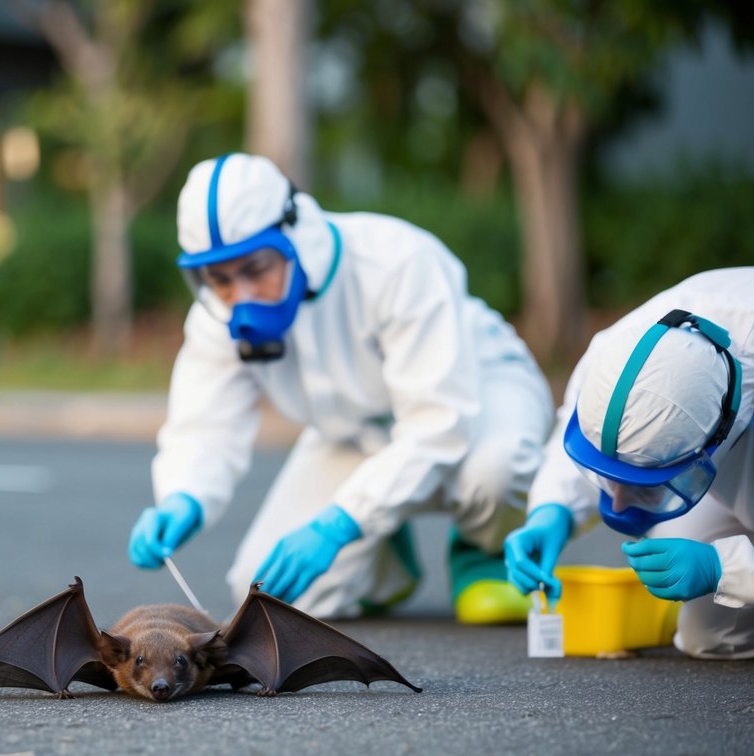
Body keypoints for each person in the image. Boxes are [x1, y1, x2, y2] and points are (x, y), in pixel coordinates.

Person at [127, 152, 553, 624]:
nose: (239, 296)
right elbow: (205, 421)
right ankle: (387, 563)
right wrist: (182, 494)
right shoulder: (218, 314)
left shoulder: (396, 260)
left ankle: (483, 553)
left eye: (255, 268)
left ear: (295, 234)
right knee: (268, 593)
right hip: (354, 432)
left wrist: (339, 523)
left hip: (478, 398)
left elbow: (439, 426)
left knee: (495, 470)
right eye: (220, 277)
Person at [504, 267, 754, 658]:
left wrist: (726, 568)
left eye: (645, 480)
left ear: (711, 445)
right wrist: (553, 510)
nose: (616, 505)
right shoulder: (621, 350)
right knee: (710, 636)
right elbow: (593, 433)